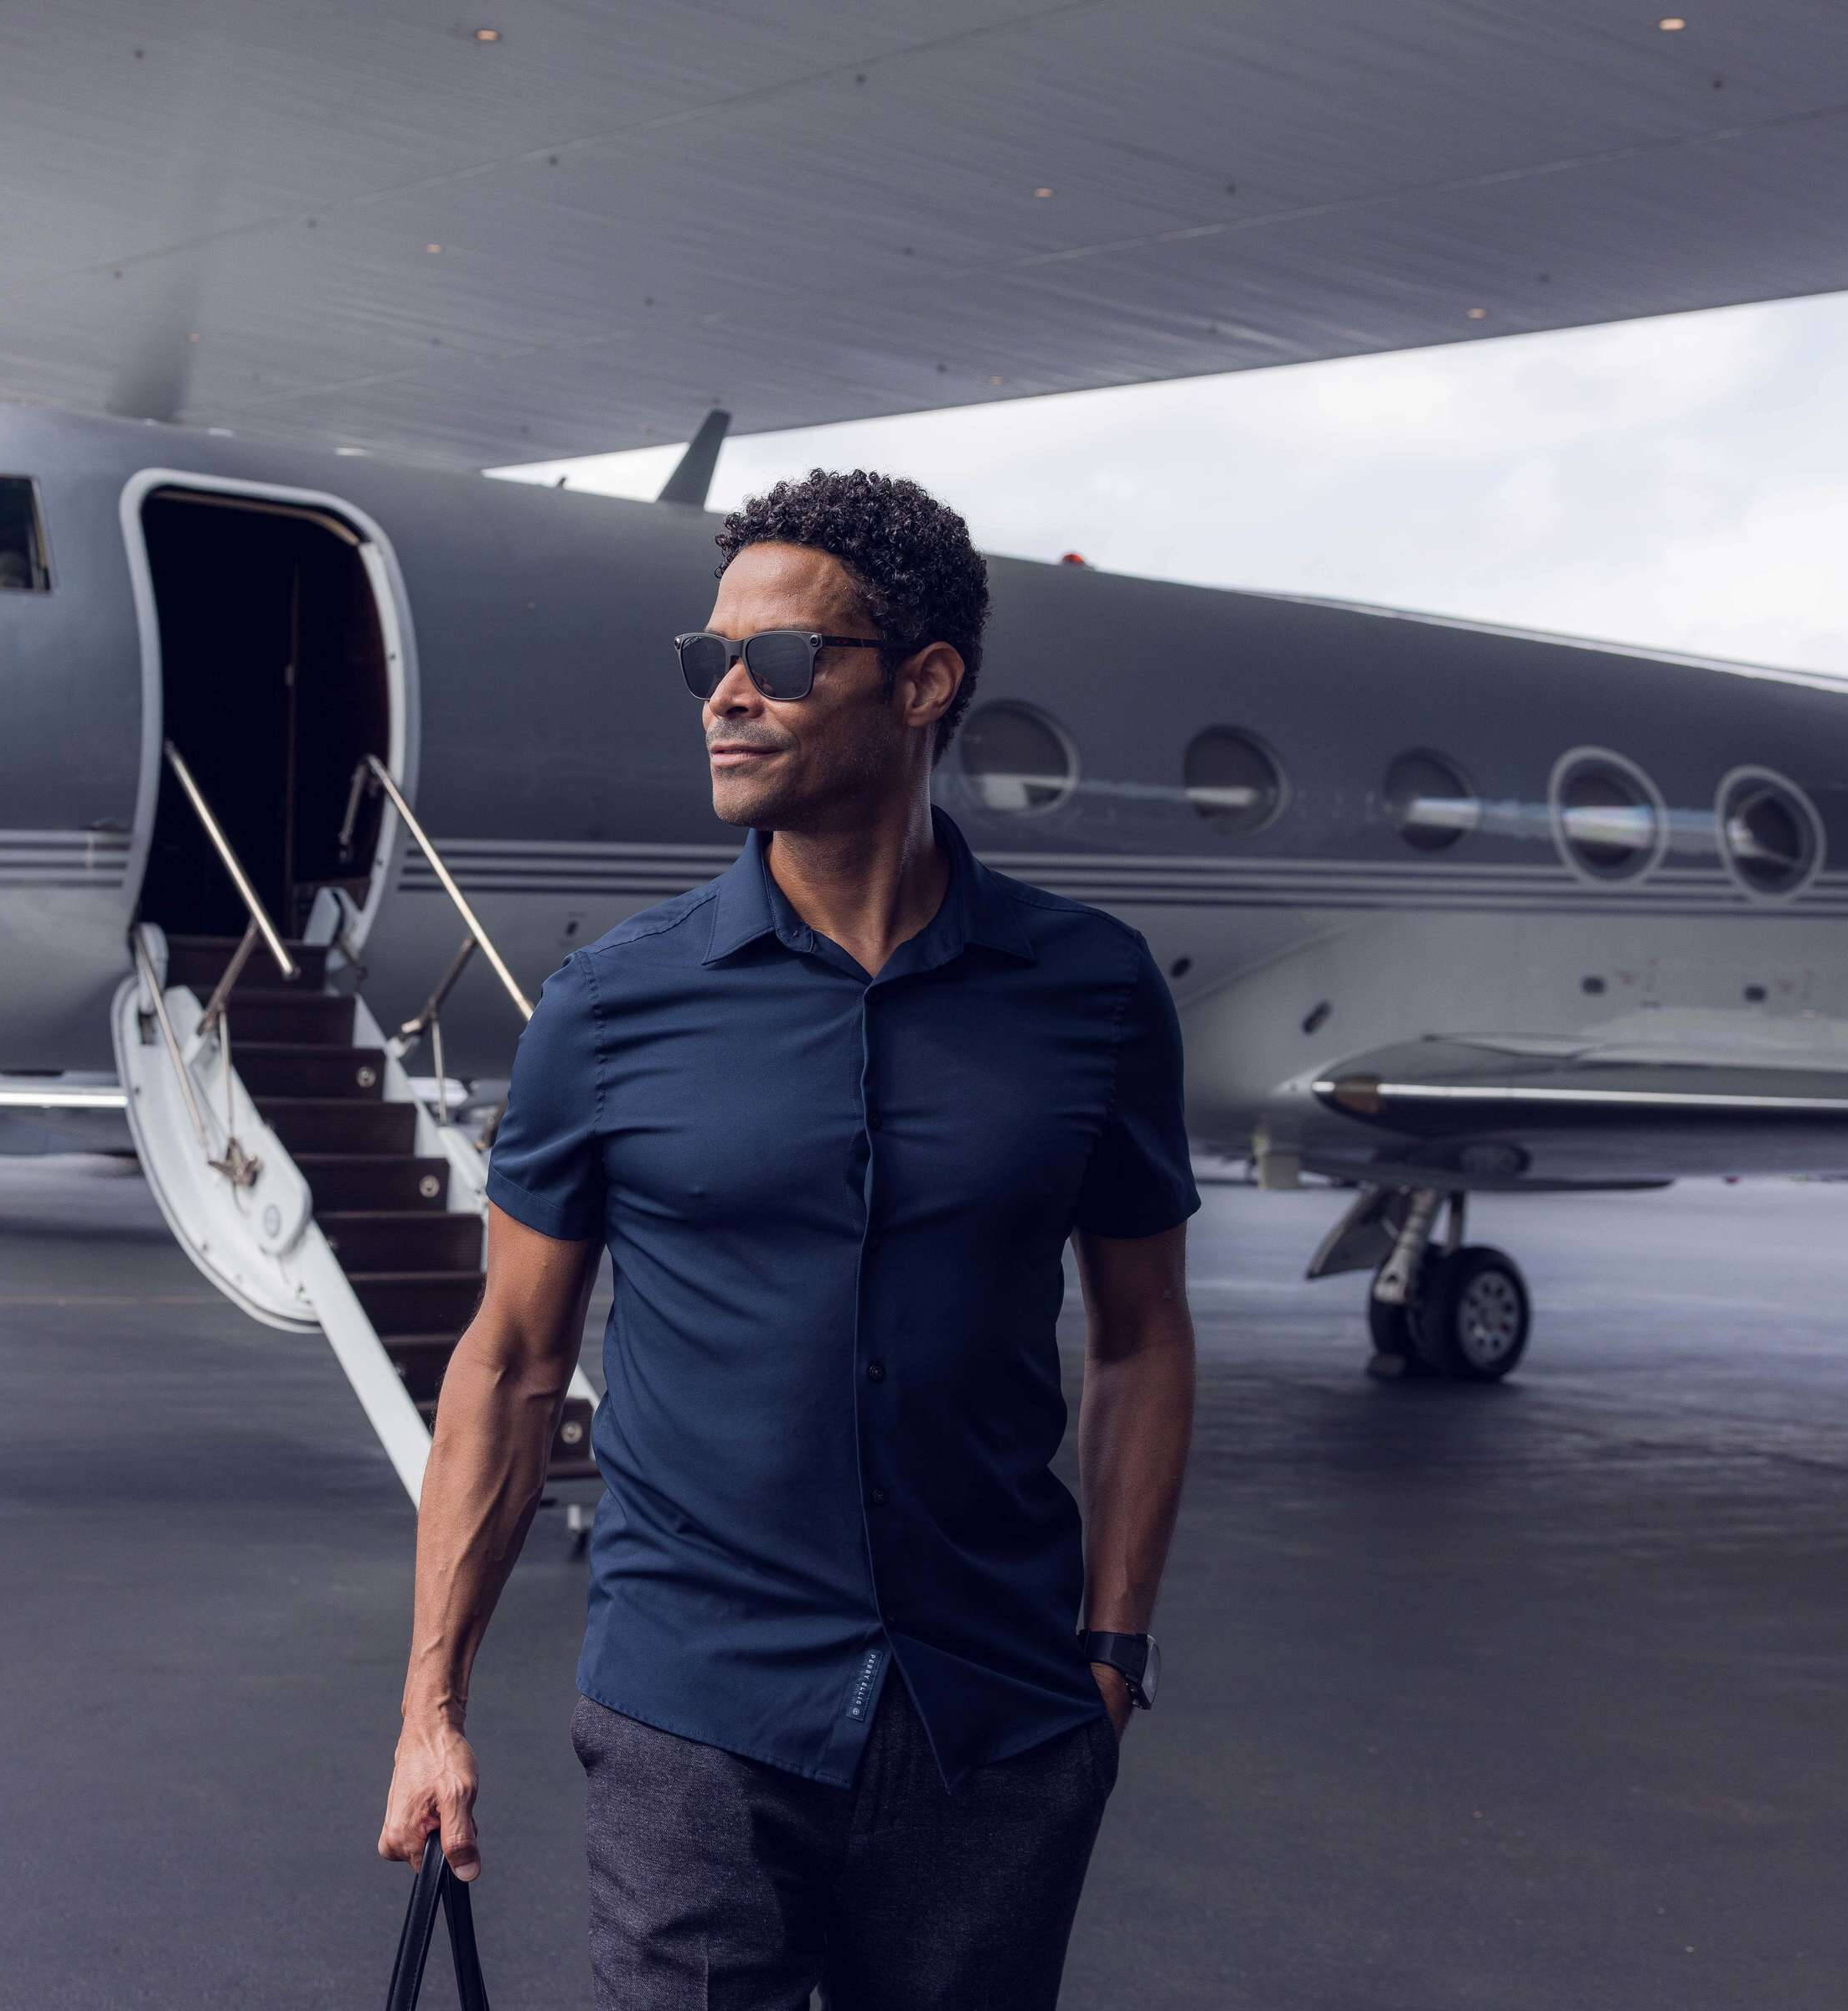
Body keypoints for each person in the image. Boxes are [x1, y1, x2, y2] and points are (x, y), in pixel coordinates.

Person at [377, 469, 1200, 2009]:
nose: (727, 696)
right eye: (711, 659)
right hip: (694, 1722)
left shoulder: (1093, 993)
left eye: (781, 659)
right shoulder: (609, 1007)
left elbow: (1144, 1335)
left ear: (925, 684)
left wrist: (1114, 1651)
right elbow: (510, 1363)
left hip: (996, 1719)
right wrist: (433, 1711)